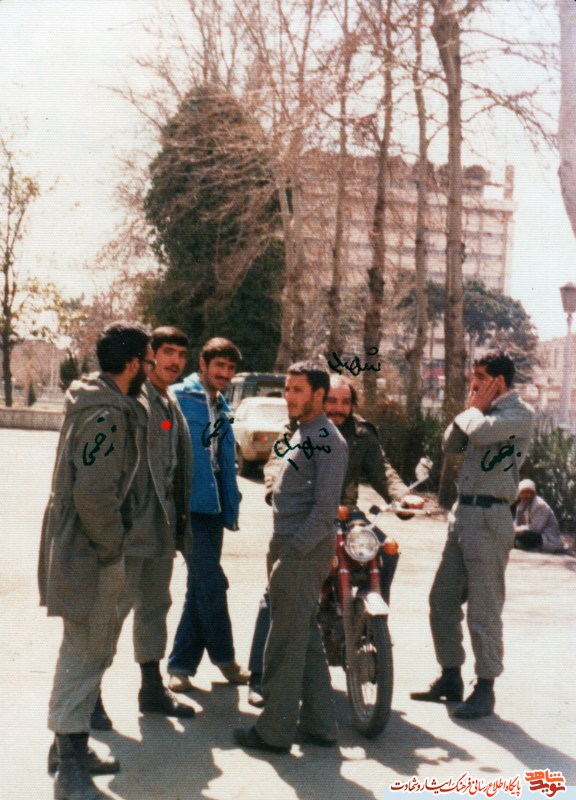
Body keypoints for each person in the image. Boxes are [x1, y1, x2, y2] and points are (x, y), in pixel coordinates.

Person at [247, 374, 423, 706]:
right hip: (308, 516)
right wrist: (274, 491)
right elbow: (276, 464)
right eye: (333, 401)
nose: (339, 408)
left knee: (387, 550)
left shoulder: (362, 434)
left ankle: (370, 626)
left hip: (347, 513)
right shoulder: (298, 428)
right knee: (277, 590)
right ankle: (258, 676)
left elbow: (384, 471)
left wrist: (403, 497)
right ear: (320, 399)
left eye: (346, 402)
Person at [38, 321, 152, 800]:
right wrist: (112, 547)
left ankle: (70, 748)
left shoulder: (101, 403)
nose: (150, 369)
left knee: (88, 648)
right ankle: (69, 769)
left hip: (86, 544)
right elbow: (93, 494)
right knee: (85, 652)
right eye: (148, 360)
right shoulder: (105, 415)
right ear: (132, 364)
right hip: (88, 549)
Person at [85, 326, 196, 738]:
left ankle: (151, 687)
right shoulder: (133, 399)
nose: (174, 362)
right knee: (113, 612)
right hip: (131, 529)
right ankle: (88, 695)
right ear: (149, 356)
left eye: (181, 354)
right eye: (167, 352)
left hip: (161, 528)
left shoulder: (170, 401)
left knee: (155, 607)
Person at [411, 351, 534, 719]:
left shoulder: (519, 414)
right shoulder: (480, 411)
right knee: (442, 599)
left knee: (484, 607)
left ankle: (485, 686)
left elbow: (479, 433)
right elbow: (451, 444)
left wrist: (474, 410)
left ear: (499, 380)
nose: (473, 383)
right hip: (463, 513)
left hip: (490, 516)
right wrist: (473, 408)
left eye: (480, 376)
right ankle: (450, 675)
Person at [234, 361, 348, 753]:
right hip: (289, 545)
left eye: (298, 390)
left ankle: (274, 731)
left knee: (283, 643)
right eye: (286, 389)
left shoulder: (328, 439)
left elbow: (325, 512)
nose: (289, 397)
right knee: (304, 635)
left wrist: (292, 554)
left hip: (302, 550)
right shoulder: (302, 432)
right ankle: (319, 724)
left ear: (319, 394)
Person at [167, 337, 249, 690]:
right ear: (202, 364)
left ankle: (180, 667)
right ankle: (226, 659)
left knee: (199, 586)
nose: (225, 374)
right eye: (219, 366)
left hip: (214, 506)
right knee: (212, 582)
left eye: (230, 369)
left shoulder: (223, 405)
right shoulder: (178, 398)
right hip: (187, 506)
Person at [514, 479, 565, 553]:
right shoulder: (521, 505)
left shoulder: (540, 505)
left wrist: (516, 530)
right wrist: (512, 529)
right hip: (536, 535)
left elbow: (535, 528)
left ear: (533, 493)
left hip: (548, 538)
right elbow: (518, 523)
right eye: (522, 492)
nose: (525, 495)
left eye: (528, 492)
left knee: (524, 535)